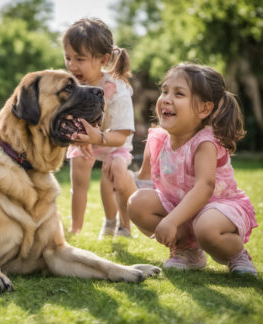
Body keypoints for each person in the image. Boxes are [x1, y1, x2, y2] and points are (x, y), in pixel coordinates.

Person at [128, 63, 258, 276]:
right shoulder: (158, 139)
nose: (167, 98)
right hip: (178, 205)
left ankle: (236, 254)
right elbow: (144, 179)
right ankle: (187, 251)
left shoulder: (204, 142)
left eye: (179, 94)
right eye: (165, 91)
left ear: (204, 109)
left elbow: (205, 187)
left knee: (206, 228)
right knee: (137, 202)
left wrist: (171, 220)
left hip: (217, 207)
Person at [63, 18, 136, 238]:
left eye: (80, 59)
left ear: (103, 59)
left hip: (113, 141)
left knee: (112, 173)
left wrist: (99, 137)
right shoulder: (72, 85)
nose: (72, 65)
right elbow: (66, 118)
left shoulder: (117, 88)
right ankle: (75, 229)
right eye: (68, 58)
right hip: (86, 140)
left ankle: (120, 224)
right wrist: (76, 138)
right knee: (79, 180)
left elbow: (122, 136)